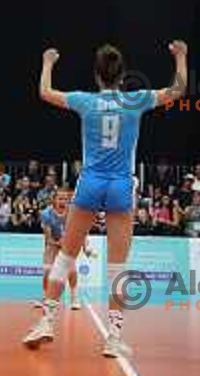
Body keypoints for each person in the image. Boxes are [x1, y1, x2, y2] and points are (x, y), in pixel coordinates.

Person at [23, 40, 188, 358]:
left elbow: (45, 91)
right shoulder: (135, 100)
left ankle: (46, 320)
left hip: (91, 183)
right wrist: (181, 56)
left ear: (97, 76)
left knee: (65, 257)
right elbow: (177, 89)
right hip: (119, 185)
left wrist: (47, 62)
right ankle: (113, 337)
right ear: (122, 75)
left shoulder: (85, 101)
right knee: (118, 267)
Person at [39, 189, 82, 310]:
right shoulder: (46, 214)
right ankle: (46, 297)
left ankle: (74, 297)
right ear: (54, 200)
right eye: (60, 199)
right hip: (53, 244)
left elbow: (76, 232)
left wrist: (79, 245)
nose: (63, 201)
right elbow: (48, 238)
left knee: (71, 269)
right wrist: (58, 243)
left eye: (65, 199)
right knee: (47, 271)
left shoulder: (72, 213)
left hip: (68, 243)